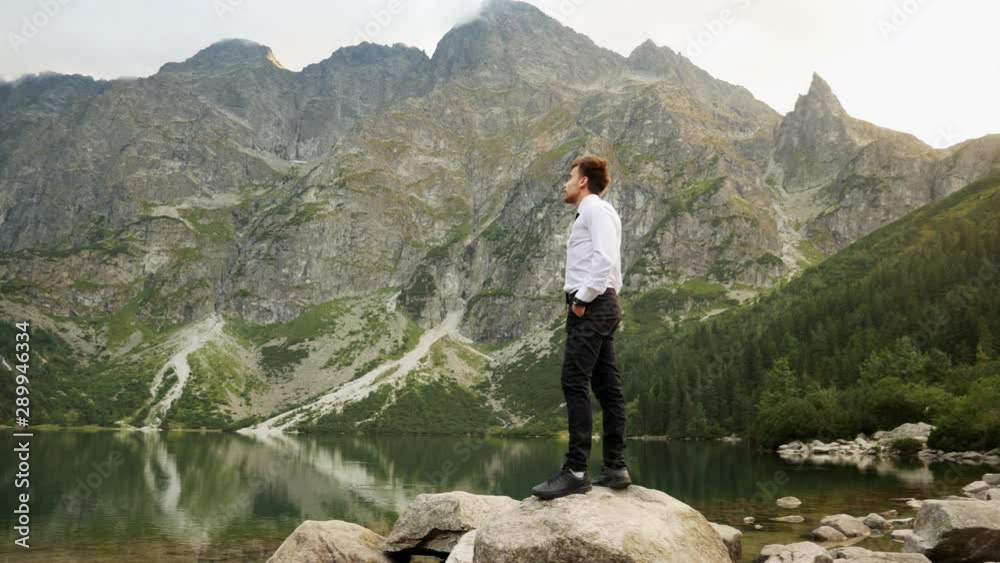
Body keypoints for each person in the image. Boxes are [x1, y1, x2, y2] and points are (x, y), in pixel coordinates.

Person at [531, 155, 631, 500]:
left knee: (574, 381)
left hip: (593, 305)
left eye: (569, 176)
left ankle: (575, 471)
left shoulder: (594, 210)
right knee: (607, 388)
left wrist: (582, 300)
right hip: (600, 304)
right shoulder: (597, 212)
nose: (565, 183)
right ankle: (615, 468)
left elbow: (604, 259)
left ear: (584, 181)